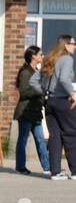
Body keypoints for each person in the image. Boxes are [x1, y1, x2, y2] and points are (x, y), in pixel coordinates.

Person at [39, 34, 76, 180]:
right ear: (66, 45)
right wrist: (73, 94)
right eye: (73, 44)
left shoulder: (49, 59)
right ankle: (75, 171)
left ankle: (55, 172)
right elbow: (64, 79)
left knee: (55, 136)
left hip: (49, 101)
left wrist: (45, 92)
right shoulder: (67, 59)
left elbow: (35, 80)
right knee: (71, 134)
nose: (74, 47)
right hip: (62, 101)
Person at [14, 46, 49, 175]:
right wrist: (39, 90)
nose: (42, 56)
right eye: (41, 54)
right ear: (33, 56)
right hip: (25, 111)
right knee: (23, 140)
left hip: (36, 111)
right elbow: (23, 92)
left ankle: (47, 167)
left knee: (40, 140)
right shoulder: (25, 72)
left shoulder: (37, 71)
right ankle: (20, 166)